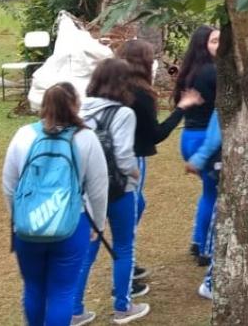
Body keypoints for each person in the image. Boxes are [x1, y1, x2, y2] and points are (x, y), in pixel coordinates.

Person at [4, 83, 108, 326]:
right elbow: (98, 188)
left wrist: (17, 217)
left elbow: (9, 185)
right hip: (73, 224)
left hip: (27, 228)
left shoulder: (23, 135)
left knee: (33, 288)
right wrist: (99, 223)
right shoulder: (86, 138)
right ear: (75, 105)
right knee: (63, 292)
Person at [73, 59, 149, 325]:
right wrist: (135, 175)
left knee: (88, 249)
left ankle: (74, 309)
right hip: (119, 190)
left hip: (86, 193)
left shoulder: (79, 111)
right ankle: (123, 306)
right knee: (124, 247)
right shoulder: (124, 114)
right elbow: (124, 157)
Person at [117, 40, 171, 283]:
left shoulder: (112, 87)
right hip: (132, 159)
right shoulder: (141, 94)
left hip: (109, 157)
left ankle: (125, 260)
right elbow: (155, 134)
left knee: (138, 203)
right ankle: (124, 274)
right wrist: (182, 108)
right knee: (131, 209)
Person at [171, 26, 219, 265]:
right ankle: (205, 249)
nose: (219, 46)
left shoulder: (190, 71)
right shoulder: (212, 72)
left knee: (209, 192)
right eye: (214, 41)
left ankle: (198, 240)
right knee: (213, 194)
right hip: (204, 138)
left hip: (189, 136)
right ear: (203, 45)